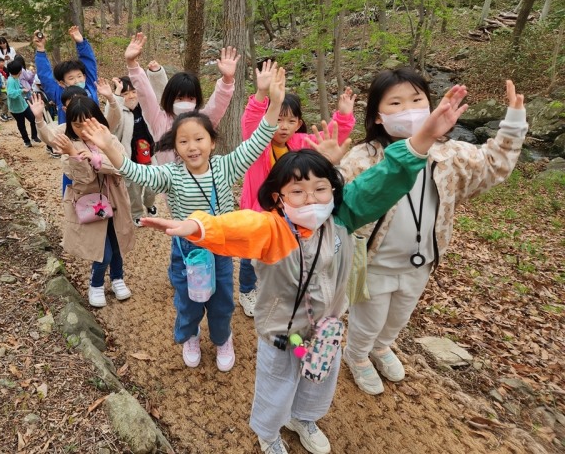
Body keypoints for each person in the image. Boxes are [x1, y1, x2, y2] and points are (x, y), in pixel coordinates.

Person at [138, 85, 469, 454]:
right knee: (276, 382)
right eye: (297, 192)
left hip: (324, 331)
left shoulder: (342, 218)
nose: (310, 199)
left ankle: (304, 418)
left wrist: (423, 137)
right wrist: (198, 227)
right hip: (282, 334)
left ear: (334, 191)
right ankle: (268, 432)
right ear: (278, 198)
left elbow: (384, 179)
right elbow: (237, 225)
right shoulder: (274, 228)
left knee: (318, 381)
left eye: (320, 189)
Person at [79, 66, 288, 372]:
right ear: (175, 147)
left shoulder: (226, 167)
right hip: (185, 253)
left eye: (199, 139)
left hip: (220, 251)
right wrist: (111, 146)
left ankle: (221, 337)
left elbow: (257, 141)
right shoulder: (171, 174)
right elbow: (137, 172)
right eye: (184, 142)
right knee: (187, 302)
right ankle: (190, 335)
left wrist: (275, 103)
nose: (193, 147)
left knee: (221, 303)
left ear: (212, 142)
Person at [339, 70, 528, 397]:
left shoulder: (449, 154)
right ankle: (356, 356)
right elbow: (341, 202)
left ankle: (381, 349)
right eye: (395, 103)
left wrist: (512, 123)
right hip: (373, 264)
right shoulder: (363, 158)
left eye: (416, 101)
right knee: (368, 321)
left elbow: (491, 165)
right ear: (379, 117)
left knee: (397, 319)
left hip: (420, 263)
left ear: (431, 107)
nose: (408, 110)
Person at [237, 59, 356, 317]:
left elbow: (330, 141)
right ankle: (247, 290)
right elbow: (250, 122)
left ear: (299, 123)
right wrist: (262, 94)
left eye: (290, 121)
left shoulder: (301, 142)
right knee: (251, 253)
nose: (283, 127)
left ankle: (280, 288)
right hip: (258, 210)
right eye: (278, 119)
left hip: (290, 212)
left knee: (284, 252)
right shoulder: (257, 143)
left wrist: (343, 117)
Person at [48, 97, 135, 308]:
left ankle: (117, 278)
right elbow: (84, 178)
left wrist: (96, 159)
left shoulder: (108, 138)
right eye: (77, 125)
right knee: (101, 249)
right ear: (70, 124)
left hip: (115, 200)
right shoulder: (69, 145)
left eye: (88, 123)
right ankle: (95, 284)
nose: (83, 129)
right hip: (90, 203)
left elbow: (122, 165)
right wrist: (74, 154)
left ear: (97, 119)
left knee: (116, 243)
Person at [123, 32, 239, 163]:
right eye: (179, 98)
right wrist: (132, 64)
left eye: (190, 99)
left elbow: (217, 105)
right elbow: (146, 95)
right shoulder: (159, 120)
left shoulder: (203, 121)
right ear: (170, 99)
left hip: (198, 181)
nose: (185, 103)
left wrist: (227, 80)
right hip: (167, 182)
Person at [106, 76, 159, 226]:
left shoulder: (144, 108)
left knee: (152, 186)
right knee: (134, 191)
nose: (130, 96)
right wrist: (115, 95)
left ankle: (150, 204)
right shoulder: (118, 112)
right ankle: (136, 213)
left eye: (133, 92)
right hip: (130, 160)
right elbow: (109, 122)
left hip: (149, 155)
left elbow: (155, 95)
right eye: (125, 94)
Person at [34, 26, 99, 122]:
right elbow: (45, 76)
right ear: (62, 83)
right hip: (69, 135)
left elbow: (89, 64)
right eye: (71, 78)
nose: (77, 81)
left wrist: (81, 43)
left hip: (94, 132)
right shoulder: (60, 94)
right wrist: (40, 49)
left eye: (79, 76)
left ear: (84, 77)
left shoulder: (90, 86)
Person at [6, 59, 39, 147]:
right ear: (18, 71)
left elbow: (18, 89)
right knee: (21, 125)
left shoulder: (16, 78)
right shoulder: (11, 81)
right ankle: (26, 141)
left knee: (33, 119)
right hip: (16, 109)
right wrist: (21, 90)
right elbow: (10, 93)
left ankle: (34, 136)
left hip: (23, 104)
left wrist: (23, 90)